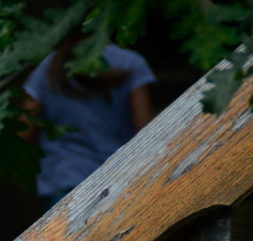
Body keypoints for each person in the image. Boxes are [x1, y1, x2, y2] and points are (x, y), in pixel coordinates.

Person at [22, 32, 156, 208]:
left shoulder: (50, 67)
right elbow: (144, 126)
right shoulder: (130, 62)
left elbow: (23, 131)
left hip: (64, 179)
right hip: (117, 179)